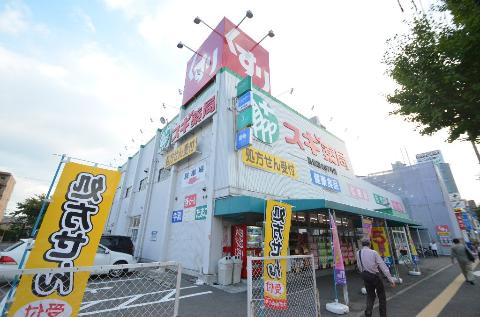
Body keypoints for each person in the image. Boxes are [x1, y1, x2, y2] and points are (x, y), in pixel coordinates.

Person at [356, 239, 396, 317]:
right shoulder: (374, 252)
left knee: (370, 295)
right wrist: (390, 279)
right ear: (369, 244)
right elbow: (383, 266)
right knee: (381, 297)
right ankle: (383, 315)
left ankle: (368, 312)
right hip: (375, 276)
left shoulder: (358, 253)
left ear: (362, 244)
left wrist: (364, 273)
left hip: (365, 276)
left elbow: (359, 266)